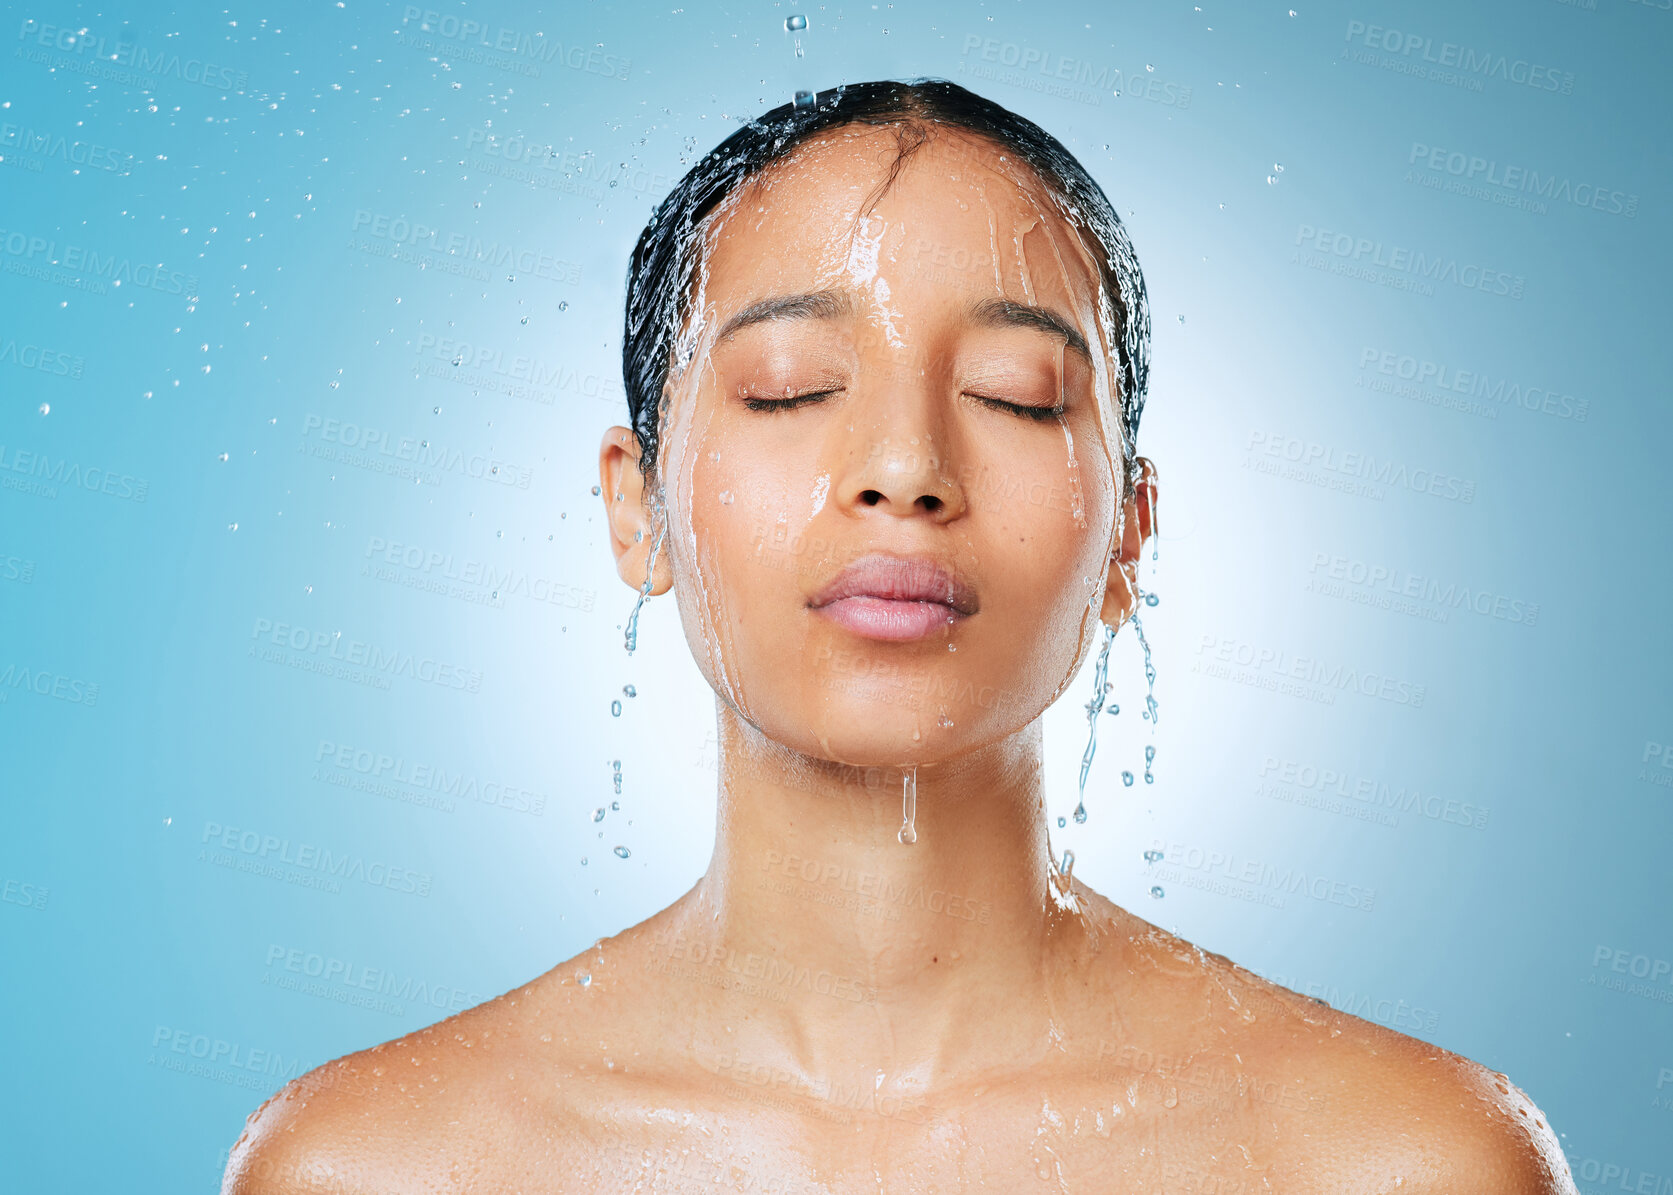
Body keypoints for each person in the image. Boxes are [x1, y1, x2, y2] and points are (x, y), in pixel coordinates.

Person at [223, 80, 1575, 1193]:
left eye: (1017, 393)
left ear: (1127, 532)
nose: (901, 466)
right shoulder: (379, 1169)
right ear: (637, 512)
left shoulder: (1389, 1165)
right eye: (787, 386)